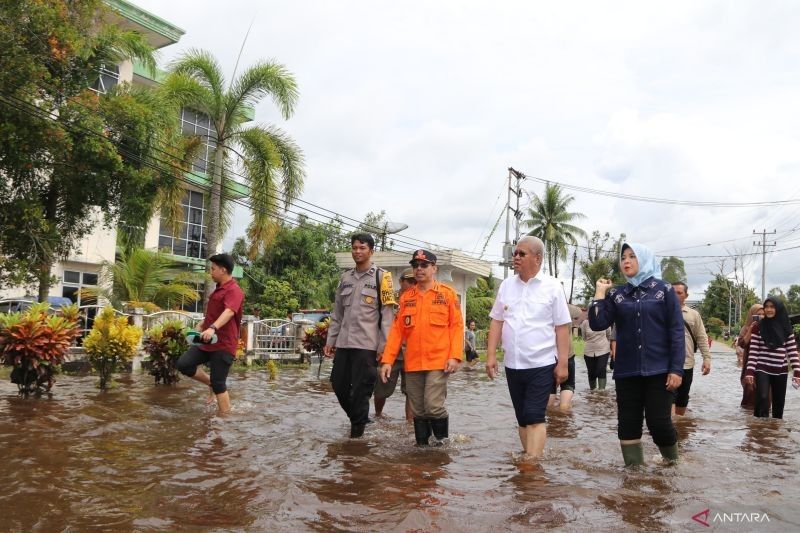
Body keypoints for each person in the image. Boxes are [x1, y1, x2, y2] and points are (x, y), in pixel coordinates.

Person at [589, 242, 684, 466]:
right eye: (623, 257)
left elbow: (676, 331)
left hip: (659, 369)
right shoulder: (617, 294)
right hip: (626, 370)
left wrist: (676, 369)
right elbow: (597, 322)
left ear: (644, 259)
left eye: (632, 256)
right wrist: (600, 293)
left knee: (658, 422)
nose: (626, 261)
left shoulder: (665, 290)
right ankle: (634, 476)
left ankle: (673, 467)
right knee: (628, 423)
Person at [485, 236, 571, 458]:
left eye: (521, 253)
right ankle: (529, 459)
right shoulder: (506, 286)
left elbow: (562, 328)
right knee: (522, 417)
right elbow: (497, 321)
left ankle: (532, 467)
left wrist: (562, 364)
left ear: (537, 258)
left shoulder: (552, 287)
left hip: (541, 363)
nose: (515, 257)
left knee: (534, 415)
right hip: (513, 364)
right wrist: (491, 356)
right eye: (515, 253)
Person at [380, 249, 463, 446]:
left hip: (439, 361)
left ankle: (442, 444)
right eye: (415, 265)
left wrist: (455, 356)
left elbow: (457, 327)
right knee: (418, 409)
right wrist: (387, 360)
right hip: (413, 362)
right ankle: (422, 449)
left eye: (424, 265)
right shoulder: (406, 297)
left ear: (434, 268)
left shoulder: (447, 294)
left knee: (433, 406)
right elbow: (397, 331)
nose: (419, 269)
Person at [324, 233, 396, 438]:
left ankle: (356, 439)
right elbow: (337, 313)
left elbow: (387, 317)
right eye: (354, 248)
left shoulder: (382, 277)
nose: (357, 251)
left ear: (371, 251)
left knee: (361, 392)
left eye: (362, 248)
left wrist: (384, 347)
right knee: (338, 385)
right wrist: (331, 340)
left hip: (367, 346)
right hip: (345, 344)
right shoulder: (345, 278)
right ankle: (362, 419)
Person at [177, 253, 244, 413]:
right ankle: (210, 383)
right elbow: (213, 314)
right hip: (207, 341)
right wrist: (201, 326)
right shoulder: (217, 290)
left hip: (224, 345)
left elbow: (229, 312)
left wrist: (213, 327)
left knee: (219, 383)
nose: (211, 272)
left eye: (213, 269)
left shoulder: (234, 290)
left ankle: (224, 419)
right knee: (184, 364)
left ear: (223, 270)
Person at [743, 297, 800, 418]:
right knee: (763, 397)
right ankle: (760, 431)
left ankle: (774, 433)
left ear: (778, 309)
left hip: (781, 370)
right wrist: (750, 372)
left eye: (772, 307)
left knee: (779, 404)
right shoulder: (757, 327)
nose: (768, 310)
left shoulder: (786, 328)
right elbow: (754, 351)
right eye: (766, 307)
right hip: (762, 368)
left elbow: (792, 351)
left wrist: (797, 372)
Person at [373, 267, 415, 421]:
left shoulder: (419, 299)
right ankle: (377, 415)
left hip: (412, 352)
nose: (412, 284)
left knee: (411, 390)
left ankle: (409, 423)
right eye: (409, 281)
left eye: (414, 281)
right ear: (400, 282)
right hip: (391, 352)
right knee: (382, 387)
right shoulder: (389, 299)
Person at [671, 282, 712, 416]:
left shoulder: (693, 315)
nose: (675, 295)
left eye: (679, 293)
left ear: (686, 295)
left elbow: (701, 337)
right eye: (672, 292)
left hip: (687, 363)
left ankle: (680, 430)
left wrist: (707, 359)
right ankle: (670, 430)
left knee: (682, 398)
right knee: (667, 398)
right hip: (665, 364)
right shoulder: (661, 312)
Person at [737, 303, 764, 409]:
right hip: (750, 365)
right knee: (750, 392)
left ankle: (764, 422)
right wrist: (750, 330)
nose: (761, 316)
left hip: (765, 365)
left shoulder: (768, 327)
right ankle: (749, 421)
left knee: (765, 395)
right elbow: (742, 344)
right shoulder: (746, 328)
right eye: (758, 314)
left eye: (763, 314)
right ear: (752, 315)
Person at [580, 317, 612, 390]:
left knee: (601, 369)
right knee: (591, 372)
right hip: (589, 350)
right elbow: (584, 337)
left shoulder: (605, 320)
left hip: (603, 349)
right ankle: (592, 391)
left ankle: (601, 391)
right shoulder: (585, 323)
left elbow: (609, 335)